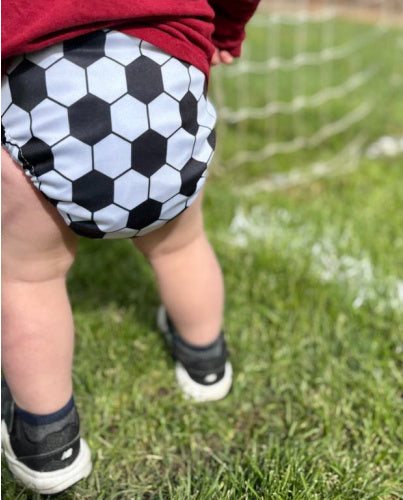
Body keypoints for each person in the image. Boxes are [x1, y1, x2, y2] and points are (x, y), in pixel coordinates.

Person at [1, 0, 260, 494]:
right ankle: (206, 362)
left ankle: (47, 440)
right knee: (180, 246)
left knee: (29, 277)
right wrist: (227, 30)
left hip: (37, 86)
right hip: (166, 80)